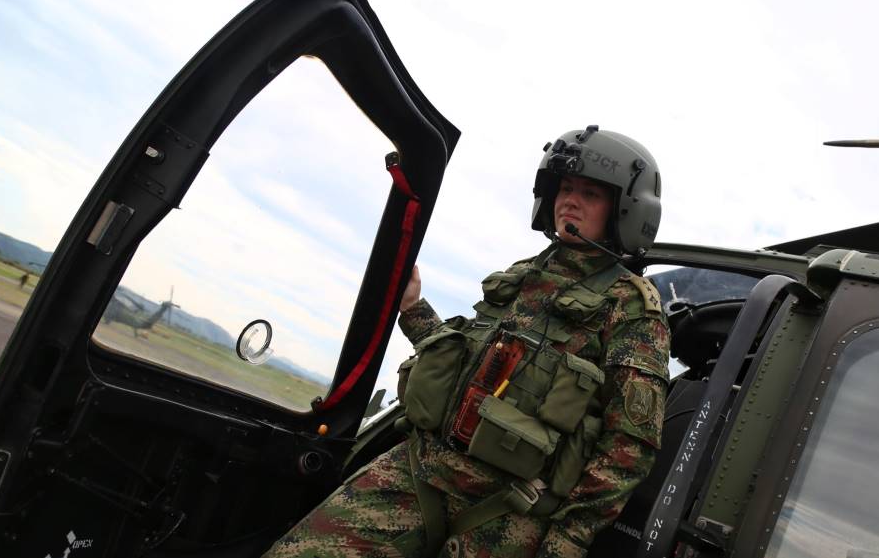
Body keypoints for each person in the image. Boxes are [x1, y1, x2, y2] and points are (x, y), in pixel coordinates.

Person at [266, 126, 670, 558]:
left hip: (512, 506)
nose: (570, 200)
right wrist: (413, 308)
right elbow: (466, 369)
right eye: (566, 187)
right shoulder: (523, 276)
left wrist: (568, 539)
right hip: (424, 469)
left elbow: (629, 446)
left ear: (625, 211)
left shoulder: (631, 307)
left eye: (590, 193)